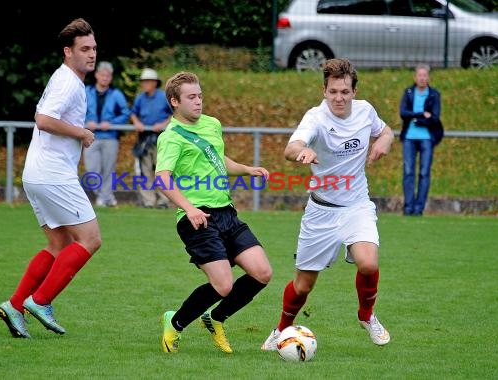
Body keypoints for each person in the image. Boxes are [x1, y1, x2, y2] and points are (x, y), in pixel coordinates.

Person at [261, 58, 395, 351]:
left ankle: (366, 316)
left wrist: (384, 140)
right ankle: (281, 330)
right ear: (324, 90)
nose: (339, 98)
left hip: (357, 205)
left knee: (368, 263)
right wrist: (304, 151)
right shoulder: (316, 118)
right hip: (321, 211)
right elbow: (290, 148)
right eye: (333, 91)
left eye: (344, 92)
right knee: (303, 285)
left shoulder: (365, 111)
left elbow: (386, 131)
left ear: (354, 91)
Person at [0, 18, 101, 338]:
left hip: (37, 173)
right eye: (84, 49)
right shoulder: (68, 81)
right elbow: (43, 120)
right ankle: (40, 301)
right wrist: (82, 133)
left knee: (59, 244)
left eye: (94, 48)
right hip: (52, 173)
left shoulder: (64, 78)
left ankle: (15, 306)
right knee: (90, 239)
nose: (91, 54)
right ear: (67, 52)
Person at [156, 71, 273, 354]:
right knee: (222, 285)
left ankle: (216, 318)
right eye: (191, 97)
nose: (198, 102)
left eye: (200, 96)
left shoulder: (211, 124)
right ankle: (176, 322)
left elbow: (216, 157)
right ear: (175, 101)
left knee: (262, 273)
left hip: (226, 215)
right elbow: (162, 177)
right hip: (197, 219)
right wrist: (189, 208)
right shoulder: (171, 137)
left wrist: (246, 169)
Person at [84, 61, 131, 207]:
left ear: (111, 78)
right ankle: (105, 196)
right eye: (102, 75)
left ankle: (104, 198)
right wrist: (87, 121)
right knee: (92, 169)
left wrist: (111, 123)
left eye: (108, 76)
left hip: (110, 137)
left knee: (108, 169)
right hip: (90, 136)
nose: (104, 78)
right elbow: (76, 110)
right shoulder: (86, 91)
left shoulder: (116, 94)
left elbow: (125, 113)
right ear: (97, 75)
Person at [399, 63, 443, 216]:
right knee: (408, 171)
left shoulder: (434, 94)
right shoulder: (409, 92)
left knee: (424, 173)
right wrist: (421, 115)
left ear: (428, 77)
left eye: (425, 75)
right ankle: (408, 208)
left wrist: (420, 121)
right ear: (415, 77)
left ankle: (419, 209)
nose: (422, 78)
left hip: (426, 138)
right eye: (420, 75)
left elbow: (435, 118)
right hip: (409, 138)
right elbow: (403, 113)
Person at [130, 68, 173, 208]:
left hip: (161, 138)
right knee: (145, 171)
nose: (145, 84)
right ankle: (148, 201)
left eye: (148, 81)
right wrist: (137, 123)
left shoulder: (163, 97)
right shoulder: (140, 98)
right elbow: (133, 113)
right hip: (144, 138)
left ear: (155, 82)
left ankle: (163, 201)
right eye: (143, 81)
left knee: (162, 171)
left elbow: (174, 114)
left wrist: (162, 124)